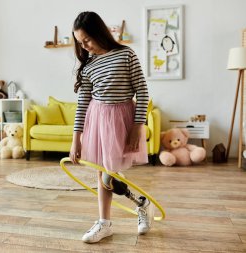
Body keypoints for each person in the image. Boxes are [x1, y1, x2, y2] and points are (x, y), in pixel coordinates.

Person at [69, 11, 154, 244]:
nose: (84, 46)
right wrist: (76, 138)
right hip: (97, 121)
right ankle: (105, 222)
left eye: (87, 40)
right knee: (103, 173)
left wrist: (138, 126)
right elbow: (82, 104)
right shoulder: (89, 66)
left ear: (99, 33)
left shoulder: (126, 54)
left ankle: (141, 204)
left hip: (121, 120)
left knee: (110, 173)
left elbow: (143, 91)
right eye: (80, 43)